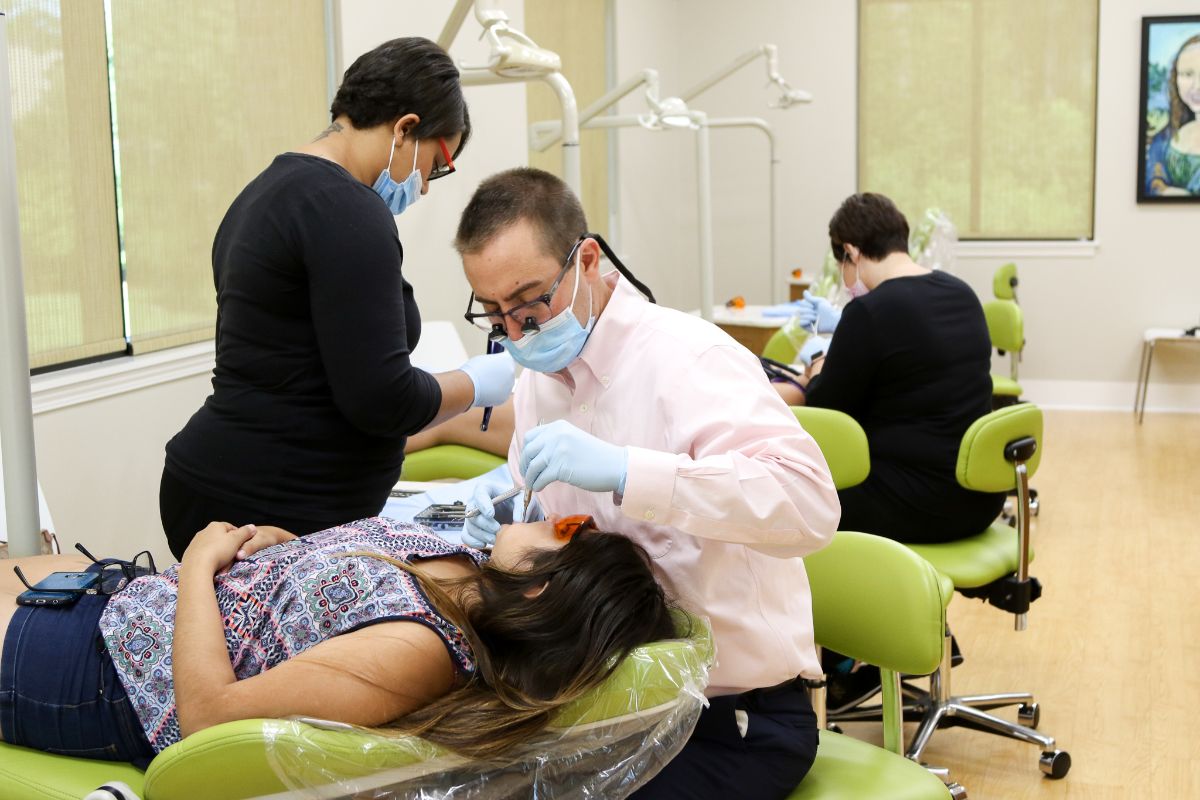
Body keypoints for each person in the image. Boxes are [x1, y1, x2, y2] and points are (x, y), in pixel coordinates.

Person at [455, 168, 840, 800]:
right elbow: (553, 527)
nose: (517, 333)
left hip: (729, 717)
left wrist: (632, 472)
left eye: (528, 304)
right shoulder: (538, 383)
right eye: (495, 314)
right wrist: (509, 508)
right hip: (610, 700)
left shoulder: (687, 360)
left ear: (587, 260)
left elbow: (810, 505)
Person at [160, 37, 515, 559]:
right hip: (267, 503)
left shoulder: (264, 193)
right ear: (405, 128)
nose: (425, 187)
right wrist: (476, 382)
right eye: (437, 165)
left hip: (225, 484)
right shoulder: (347, 209)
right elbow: (383, 401)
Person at [0, 515, 674, 766]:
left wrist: (205, 562)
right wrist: (288, 552)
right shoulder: (458, 564)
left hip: (101, 677)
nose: (555, 517)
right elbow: (325, 614)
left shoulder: (423, 652)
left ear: (544, 590)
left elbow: (208, 715)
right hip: (119, 603)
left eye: (567, 536)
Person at [784, 192, 1005, 545]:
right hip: (982, 495)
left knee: (791, 502)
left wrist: (817, 366)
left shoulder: (869, 312)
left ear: (851, 252)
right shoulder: (962, 294)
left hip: (920, 502)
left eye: (844, 264)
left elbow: (827, 408)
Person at [1145, 33, 1200, 197]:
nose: (1197, 86)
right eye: (1188, 74)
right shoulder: (1164, 138)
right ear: (1175, 79)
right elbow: (1152, 182)